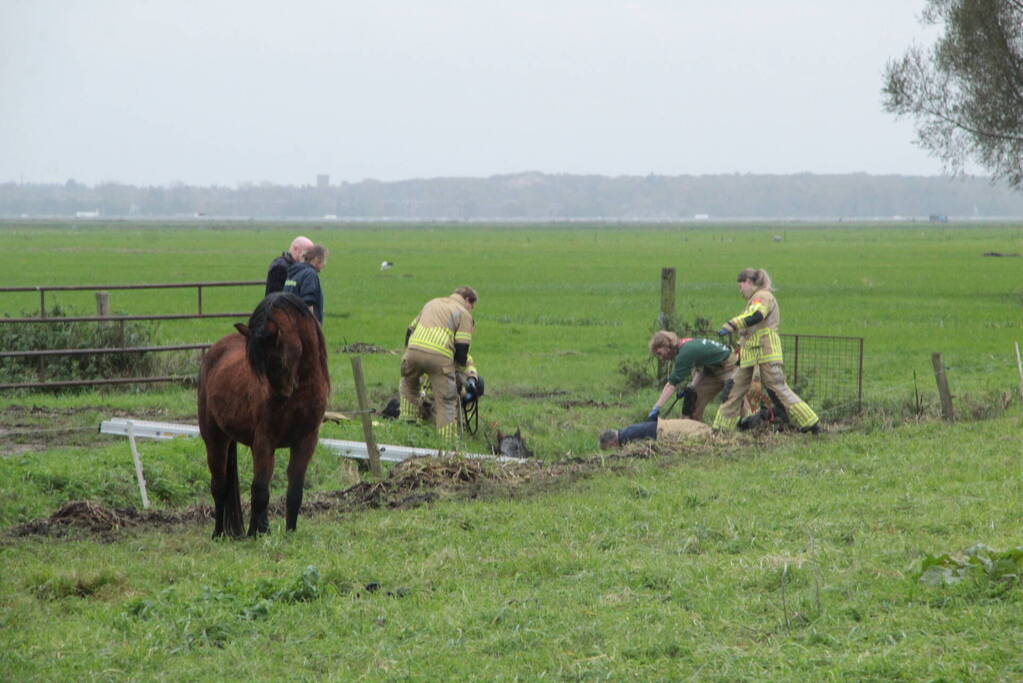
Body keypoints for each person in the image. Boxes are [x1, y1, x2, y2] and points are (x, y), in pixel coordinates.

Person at [712, 268, 821, 434]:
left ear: (748, 282)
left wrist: (731, 324)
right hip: (750, 354)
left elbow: (757, 315)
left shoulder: (762, 297)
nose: (740, 291)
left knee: (776, 388)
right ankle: (720, 430)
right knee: (732, 390)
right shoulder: (755, 298)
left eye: (740, 286)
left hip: (766, 350)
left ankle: (811, 423)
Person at [399, 286, 477, 439]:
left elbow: (410, 329)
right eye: (472, 306)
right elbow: (462, 347)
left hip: (413, 350)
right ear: (467, 300)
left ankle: (406, 427)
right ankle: (447, 441)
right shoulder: (464, 314)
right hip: (439, 357)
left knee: (408, 385)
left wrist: (409, 352)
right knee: (446, 399)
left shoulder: (431, 303)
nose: (471, 309)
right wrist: (458, 371)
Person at [646, 331, 739, 423]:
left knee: (736, 397)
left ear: (666, 346)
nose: (661, 358)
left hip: (729, 365)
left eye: (659, 353)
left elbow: (671, 385)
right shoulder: (685, 344)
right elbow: (701, 368)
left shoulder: (685, 353)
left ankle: (746, 427)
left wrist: (656, 408)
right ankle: (695, 430)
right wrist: (692, 386)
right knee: (693, 402)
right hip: (712, 369)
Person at [598, 417, 711, 449]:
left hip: (664, 431)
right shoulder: (625, 431)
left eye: (609, 448)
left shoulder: (625, 439)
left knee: (696, 433)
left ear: (612, 442)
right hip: (662, 425)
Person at [283, 244, 327, 323]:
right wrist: (311, 325)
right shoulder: (310, 274)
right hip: (302, 325)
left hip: (289, 321)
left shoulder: (294, 272)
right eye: (324, 260)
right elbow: (308, 301)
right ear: (317, 259)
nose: (325, 264)